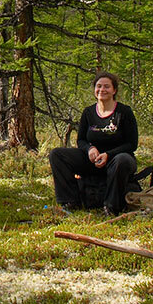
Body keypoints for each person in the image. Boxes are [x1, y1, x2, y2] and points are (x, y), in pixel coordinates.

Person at [49, 71, 139, 216]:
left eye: (107, 87)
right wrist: (90, 149)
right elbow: (81, 140)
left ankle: (111, 206)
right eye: (99, 86)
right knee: (57, 155)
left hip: (117, 161)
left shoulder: (124, 112)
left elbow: (131, 144)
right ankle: (70, 201)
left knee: (122, 160)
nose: (102, 90)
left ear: (114, 90)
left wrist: (108, 155)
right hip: (93, 160)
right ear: (94, 90)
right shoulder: (88, 112)